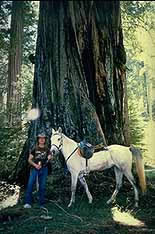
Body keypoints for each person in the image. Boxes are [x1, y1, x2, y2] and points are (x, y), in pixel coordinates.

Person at [24, 133, 52, 208]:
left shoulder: (47, 149)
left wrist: (49, 157)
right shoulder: (34, 149)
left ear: (45, 140)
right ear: (38, 140)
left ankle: (41, 203)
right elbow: (29, 160)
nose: (42, 139)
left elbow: (49, 157)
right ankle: (27, 202)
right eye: (40, 138)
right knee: (30, 184)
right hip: (34, 169)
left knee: (42, 186)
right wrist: (35, 165)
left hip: (44, 169)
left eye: (43, 138)